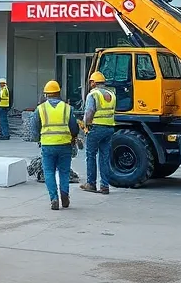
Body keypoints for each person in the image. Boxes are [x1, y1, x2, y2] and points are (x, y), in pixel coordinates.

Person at [30, 80, 80, 210]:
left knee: (49, 172)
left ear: (46, 94)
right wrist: (74, 137)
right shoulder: (67, 108)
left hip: (48, 145)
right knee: (64, 172)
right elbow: (74, 127)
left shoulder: (40, 109)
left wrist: (38, 140)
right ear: (59, 93)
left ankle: (54, 198)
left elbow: (34, 128)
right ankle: (65, 195)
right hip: (65, 145)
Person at [80, 71, 116, 194]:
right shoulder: (111, 94)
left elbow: (90, 112)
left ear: (93, 82)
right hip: (109, 128)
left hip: (96, 128)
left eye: (91, 82)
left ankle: (91, 184)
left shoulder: (93, 95)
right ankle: (105, 186)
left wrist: (86, 125)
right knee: (104, 157)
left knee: (91, 155)